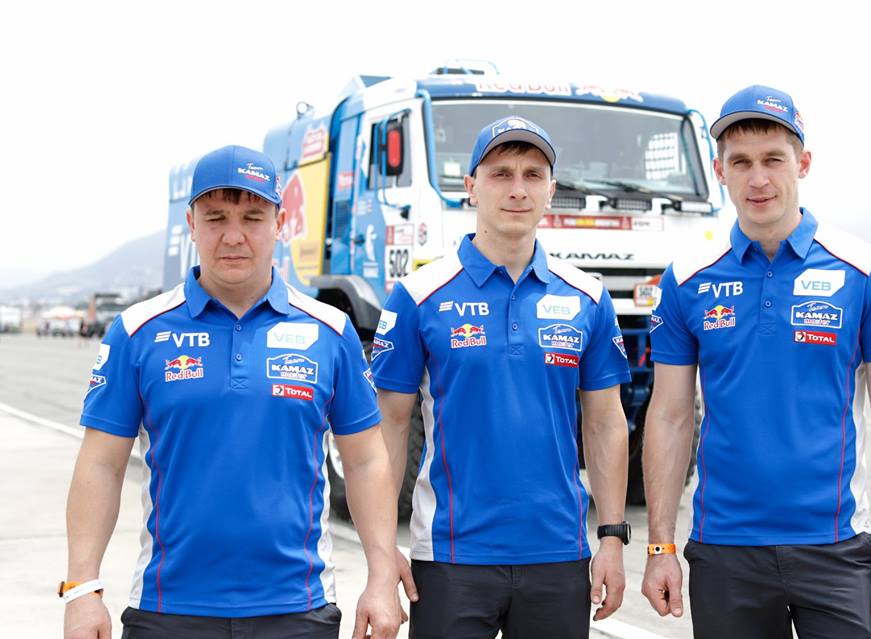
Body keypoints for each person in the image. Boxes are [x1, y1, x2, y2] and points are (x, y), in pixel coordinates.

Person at [62, 145, 409, 639]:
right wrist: (81, 589)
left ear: (280, 223)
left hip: (298, 608)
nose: (233, 236)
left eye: (252, 217)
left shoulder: (330, 331)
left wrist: (380, 576)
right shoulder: (137, 332)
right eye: (216, 218)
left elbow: (366, 461)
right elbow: (101, 463)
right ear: (191, 223)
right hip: (169, 608)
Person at [641, 85, 871, 638]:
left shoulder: (865, 270)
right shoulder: (686, 280)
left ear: (804, 164)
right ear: (719, 171)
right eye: (740, 163)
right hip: (725, 551)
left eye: (773, 159)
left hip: (838, 547)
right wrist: (660, 547)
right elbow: (670, 417)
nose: (758, 179)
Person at [370, 116, 632, 638]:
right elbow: (388, 430)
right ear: (471, 186)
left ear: (551, 190)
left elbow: (606, 424)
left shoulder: (588, 297)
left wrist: (610, 539)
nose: (518, 189)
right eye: (501, 174)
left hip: (559, 554)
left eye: (533, 175)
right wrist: (380, 554)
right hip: (450, 556)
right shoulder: (418, 296)